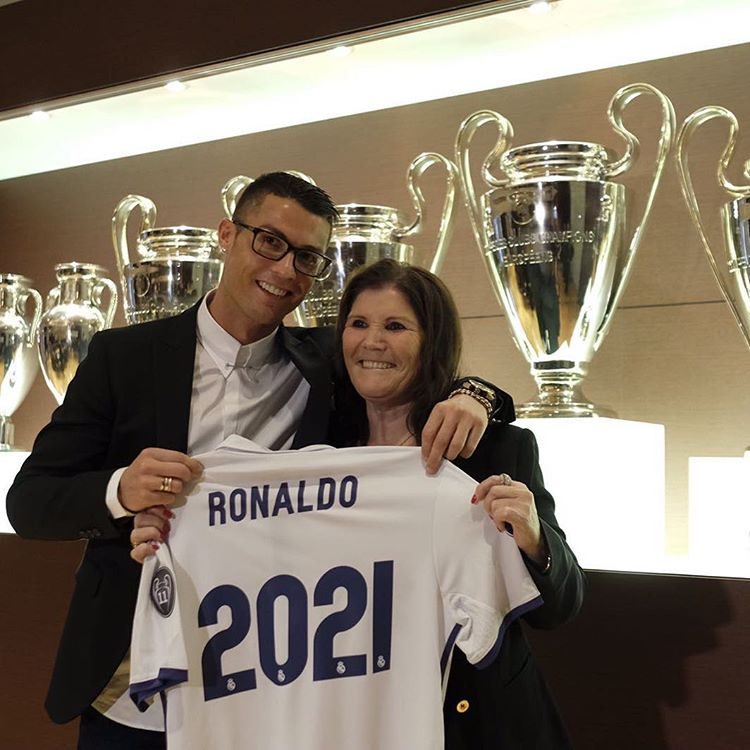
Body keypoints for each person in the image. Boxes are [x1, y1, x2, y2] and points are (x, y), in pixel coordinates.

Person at [6, 174, 495, 750]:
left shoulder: (324, 363)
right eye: (270, 242)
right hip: (129, 681)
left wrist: (477, 395)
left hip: (264, 686)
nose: (286, 269)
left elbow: (410, 360)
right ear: (226, 236)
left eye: (307, 257)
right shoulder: (124, 357)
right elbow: (30, 501)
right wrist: (121, 491)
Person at [133, 257, 586, 748]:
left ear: (431, 340)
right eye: (358, 324)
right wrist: (171, 525)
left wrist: (534, 538)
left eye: (395, 326)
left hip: (477, 723)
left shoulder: (491, 451)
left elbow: (559, 607)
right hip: (350, 721)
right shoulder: (313, 446)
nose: (372, 342)